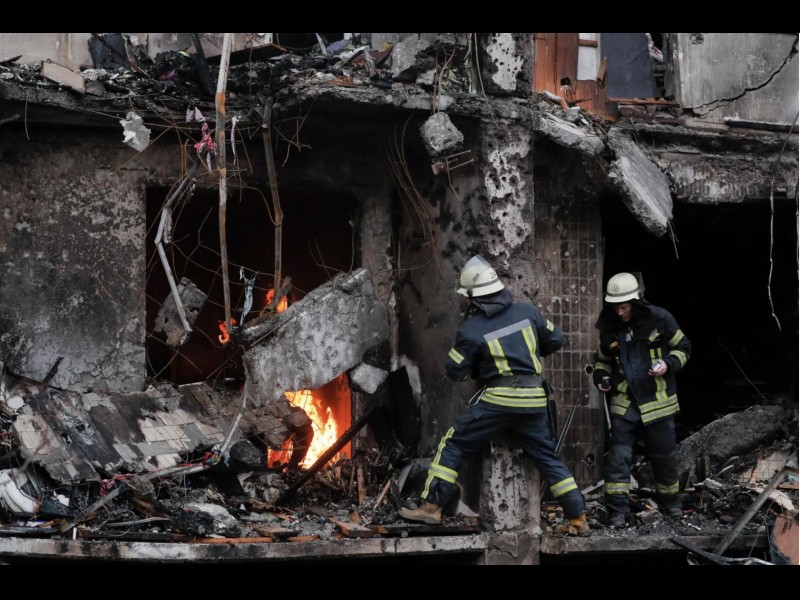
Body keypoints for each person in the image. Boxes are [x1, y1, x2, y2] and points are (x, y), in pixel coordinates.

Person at [398, 255, 589, 536]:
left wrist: (481, 366)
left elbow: (455, 370)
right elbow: (556, 339)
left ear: (474, 298)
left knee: (454, 443)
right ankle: (578, 519)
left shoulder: (471, 330)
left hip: (499, 402)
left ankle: (431, 507)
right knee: (548, 458)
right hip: (534, 400)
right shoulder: (528, 313)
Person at [592, 272, 692, 527]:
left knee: (664, 457)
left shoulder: (660, 319)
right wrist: (602, 378)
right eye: (615, 307)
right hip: (625, 401)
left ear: (636, 302)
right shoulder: (610, 327)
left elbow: (684, 348)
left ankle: (672, 506)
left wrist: (667, 364)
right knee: (618, 458)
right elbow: (602, 362)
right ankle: (617, 512)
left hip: (658, 401)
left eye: (624, 307)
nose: (619, 312)